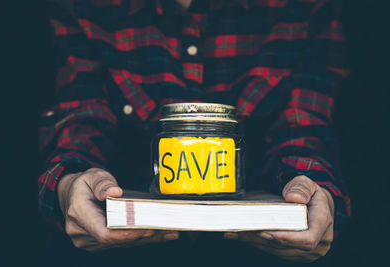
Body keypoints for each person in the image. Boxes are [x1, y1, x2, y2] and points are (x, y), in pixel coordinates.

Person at [38, 0, 351, 263]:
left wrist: (316, 191)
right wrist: (69, 185)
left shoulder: (305, 7)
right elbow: (81, 116)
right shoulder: (85, 6)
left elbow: (305, 125)